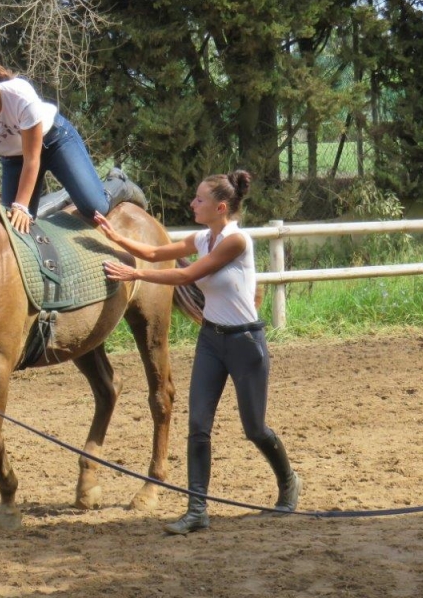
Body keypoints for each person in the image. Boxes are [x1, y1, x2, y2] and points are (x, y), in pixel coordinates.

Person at [94, 170, 301, 535]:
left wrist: (136, 276)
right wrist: (115, 236)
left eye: (199, 200)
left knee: (255, 428)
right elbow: (158, 252)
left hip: (244, 343)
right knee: (197, 426)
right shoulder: (204, 237)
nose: (192, 203)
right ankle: (196, 510)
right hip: (211, 341)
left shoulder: (236, 242)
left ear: (221, 207)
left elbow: (186, 277)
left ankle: (288, 481)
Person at [0, 48, 143, 233]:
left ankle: (118, 183)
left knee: (94, 208)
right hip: (14, 160)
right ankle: (67, 194)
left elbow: (32, 158)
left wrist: (21, 205)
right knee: (11, 226)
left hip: (55, 142)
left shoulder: (19, 94)